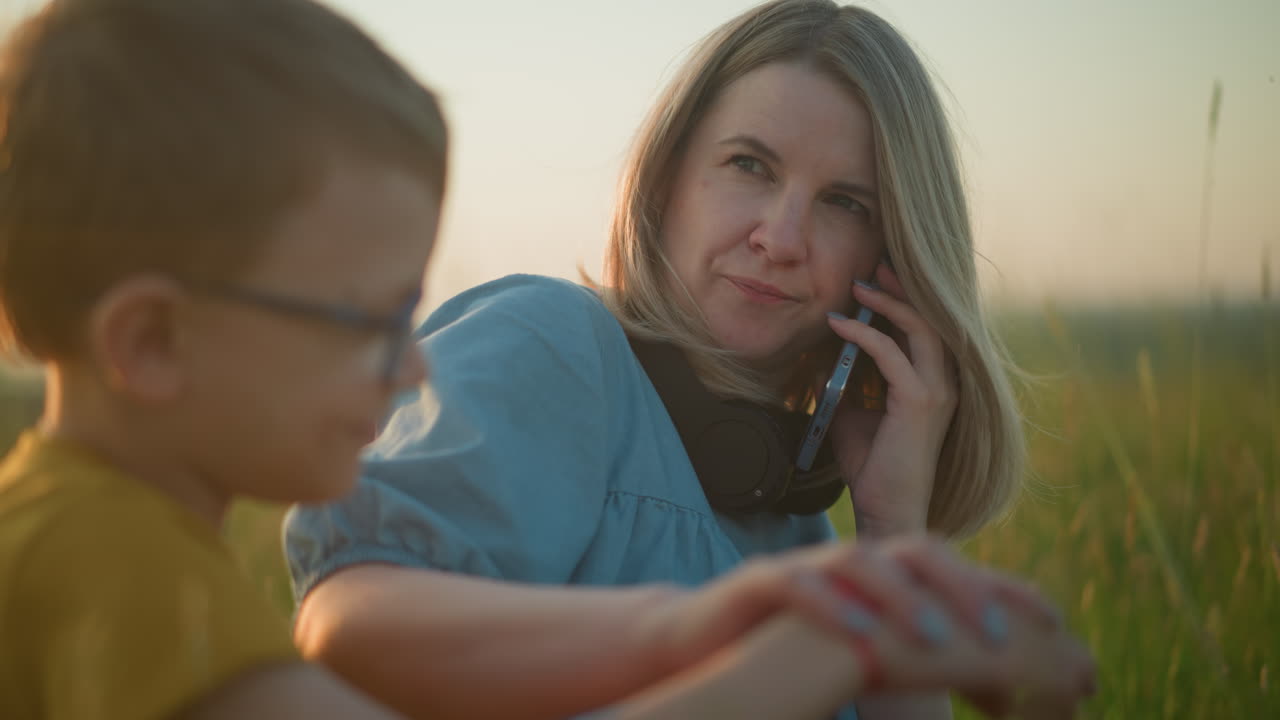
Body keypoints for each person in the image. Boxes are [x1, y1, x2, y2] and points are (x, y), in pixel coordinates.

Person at [0, 1, 1092, 719]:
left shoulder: (805, 519)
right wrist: (849, 627)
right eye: (748, 166)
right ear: (663, 177)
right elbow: (353, 622)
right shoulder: (106, 563)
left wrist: (890, 537)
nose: (782, 233)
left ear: (891, 256)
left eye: (846, 203)